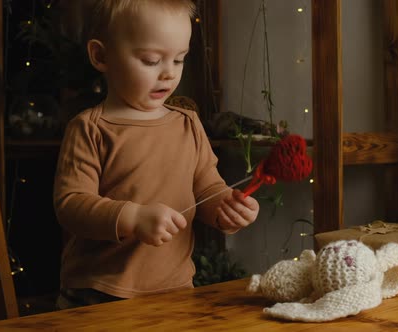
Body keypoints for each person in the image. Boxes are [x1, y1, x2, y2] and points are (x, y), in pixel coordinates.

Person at [53, 0, 260, 309]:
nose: (168, 74)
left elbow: (207, 187)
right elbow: (71, 205)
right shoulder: (90, 128)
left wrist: (226, 208)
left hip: (175, 290)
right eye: (151, 60)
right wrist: (132, 217)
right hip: (98, 294)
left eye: (179, 60)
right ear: (101, 55)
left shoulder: (187, 124)